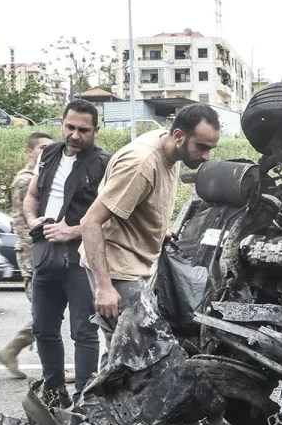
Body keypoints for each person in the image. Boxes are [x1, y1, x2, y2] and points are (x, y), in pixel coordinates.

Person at [81, 103, 219, 325]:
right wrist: (104, 287)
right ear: (179, 135)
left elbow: (142, 200)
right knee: (137, 350)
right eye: (202, 147)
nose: (207, 156)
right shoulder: (141, 165)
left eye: (211, 147)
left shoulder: (169, 148)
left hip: (138, 261)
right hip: (118, 268)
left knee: (119, 349)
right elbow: (90, 222)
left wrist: (158, 228)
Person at [24, 101, 109, 407]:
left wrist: (72, 231)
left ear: (96, 130)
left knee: (84, 332)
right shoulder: (48, 155)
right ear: (61, 123)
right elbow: (32, 196)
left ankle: (84, 402)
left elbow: (110, 214)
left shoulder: (103, 164)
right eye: (70, 127)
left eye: (83, 130)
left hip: (80, 259)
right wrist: (33, 220)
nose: (75, 135)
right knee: (43, 328)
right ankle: (54, 392)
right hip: (45, 255)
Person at [0, 131, 53, 378]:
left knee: (47, 312)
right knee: (44, 313)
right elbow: (24, 224)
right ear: (30, 151)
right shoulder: (24, 181)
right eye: (42, 148)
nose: (46, 153)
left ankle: (20, 354)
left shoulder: (41, 176)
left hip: (42, 252)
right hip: (32, 254)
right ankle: (14, 351)